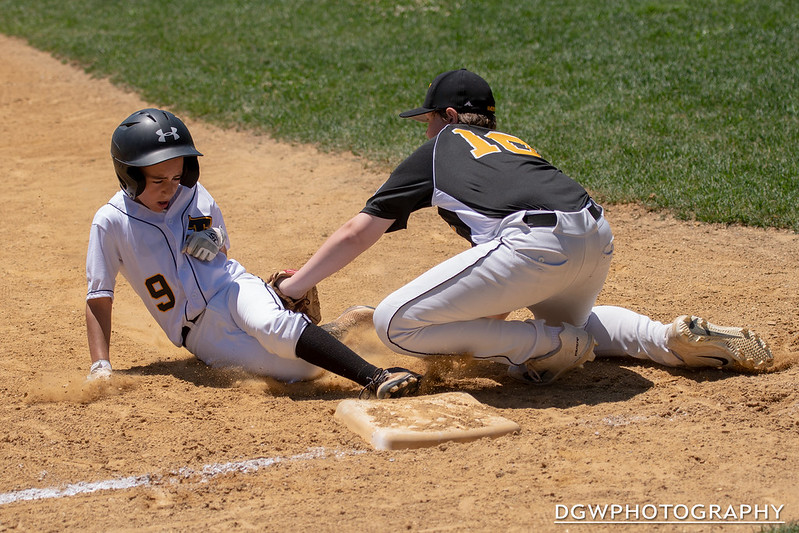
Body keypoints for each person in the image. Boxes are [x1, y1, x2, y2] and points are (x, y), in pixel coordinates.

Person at [274, 69, 773, 384]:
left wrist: (295, 287)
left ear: (449, 117)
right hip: (593, 235)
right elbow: (500, 282)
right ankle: (668, 340)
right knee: (572, 324)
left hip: (534, 244)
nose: (425, 130)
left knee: (396, 325)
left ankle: (550, 346)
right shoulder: (515, 144)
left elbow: (357, 231)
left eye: (428, 119)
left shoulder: (439, 147)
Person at [84, 108, 422, 399]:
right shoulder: (110, 223)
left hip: (234, 288)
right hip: (199, 334)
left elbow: (223, 249)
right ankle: (336, 329)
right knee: (300, 370)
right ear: (129, 176)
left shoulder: (192, 194)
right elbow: (100, 297)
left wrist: (214, 241)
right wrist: (101, 367)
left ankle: (376, 377)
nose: (170, 187)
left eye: (176, 176)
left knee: (273, 326)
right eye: (158, 180)